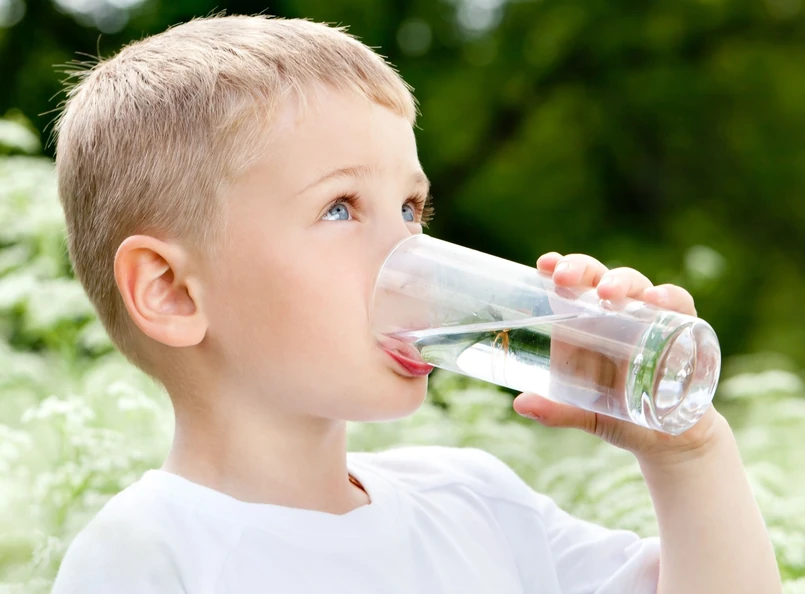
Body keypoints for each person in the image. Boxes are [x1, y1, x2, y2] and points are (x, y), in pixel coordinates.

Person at [50, 14, 781, 594]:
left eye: (410, 209)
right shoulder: (148, 553)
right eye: (340, 208)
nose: (408, 253)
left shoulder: (476, 504)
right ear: (172, 291)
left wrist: (687, 452)